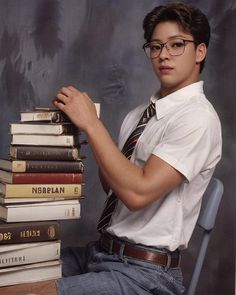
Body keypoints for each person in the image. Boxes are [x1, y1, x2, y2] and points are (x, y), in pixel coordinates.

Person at [53, 2, 222, 294]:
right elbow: (114, 186)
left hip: (147, 273)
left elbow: (136, 194)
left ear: (200, 52)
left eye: (176, 44)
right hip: (101, 252)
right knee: (14, 273)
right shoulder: (138, 115)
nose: (163, 55)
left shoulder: (198, 118)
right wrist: (86, 130)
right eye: (155, 47)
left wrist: (94, 125)